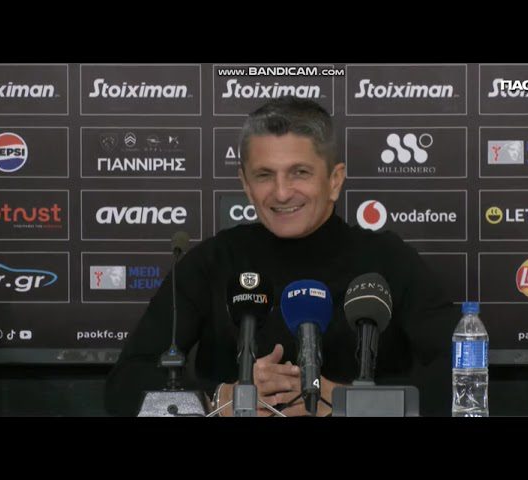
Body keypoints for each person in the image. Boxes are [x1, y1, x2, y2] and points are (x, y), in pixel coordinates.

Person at [105, 96, 458, 417]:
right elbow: (125, 385)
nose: (282, 192)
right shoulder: (211, 261)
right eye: (264, 175)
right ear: (246, 185)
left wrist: (349, 402)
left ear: (335, 180)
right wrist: (221, 399)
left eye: (299, 172)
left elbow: (465, 375)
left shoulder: (388, 260)